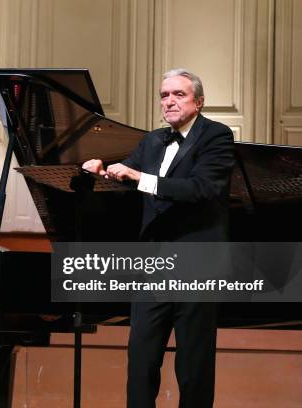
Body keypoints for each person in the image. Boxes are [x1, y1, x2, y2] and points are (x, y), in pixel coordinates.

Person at [83, 69, 235, 407]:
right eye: (164, 95)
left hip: (197, 265)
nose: (169, 101)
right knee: (141, 360)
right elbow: (127, 176)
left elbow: (202, 188)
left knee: (193, 366)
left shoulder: (217, 135)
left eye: (178, 94)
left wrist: (140, 177)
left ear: (199, 101)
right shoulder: (152, 140)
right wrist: (103, 171)